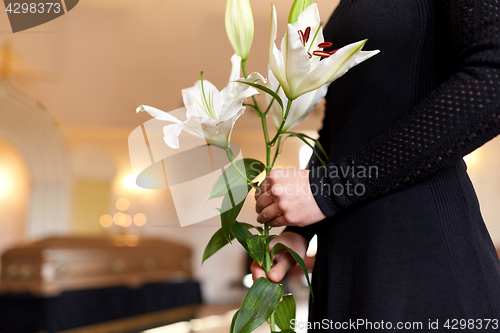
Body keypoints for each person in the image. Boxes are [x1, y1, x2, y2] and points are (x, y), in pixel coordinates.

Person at [251, 0, 500, 331]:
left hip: (419, 258)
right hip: (342, 266)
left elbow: (491, 82)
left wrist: (329, 189)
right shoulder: (343, 9)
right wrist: (298, 232)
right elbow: (340, 128)